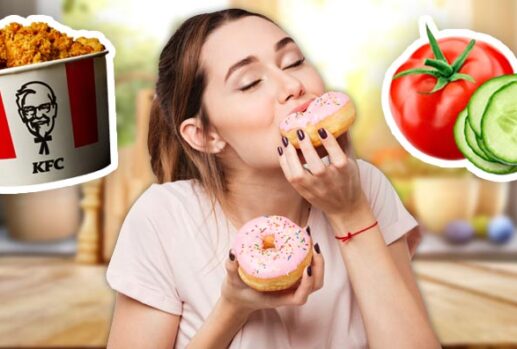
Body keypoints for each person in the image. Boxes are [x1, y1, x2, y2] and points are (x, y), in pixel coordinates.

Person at [106, 8, 440, 349]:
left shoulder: (363, 186)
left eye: (294, 61)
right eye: (250, 82)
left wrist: (350, 214)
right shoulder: (163, 218)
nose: (293, 86)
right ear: (205, 135)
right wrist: (233, 308)